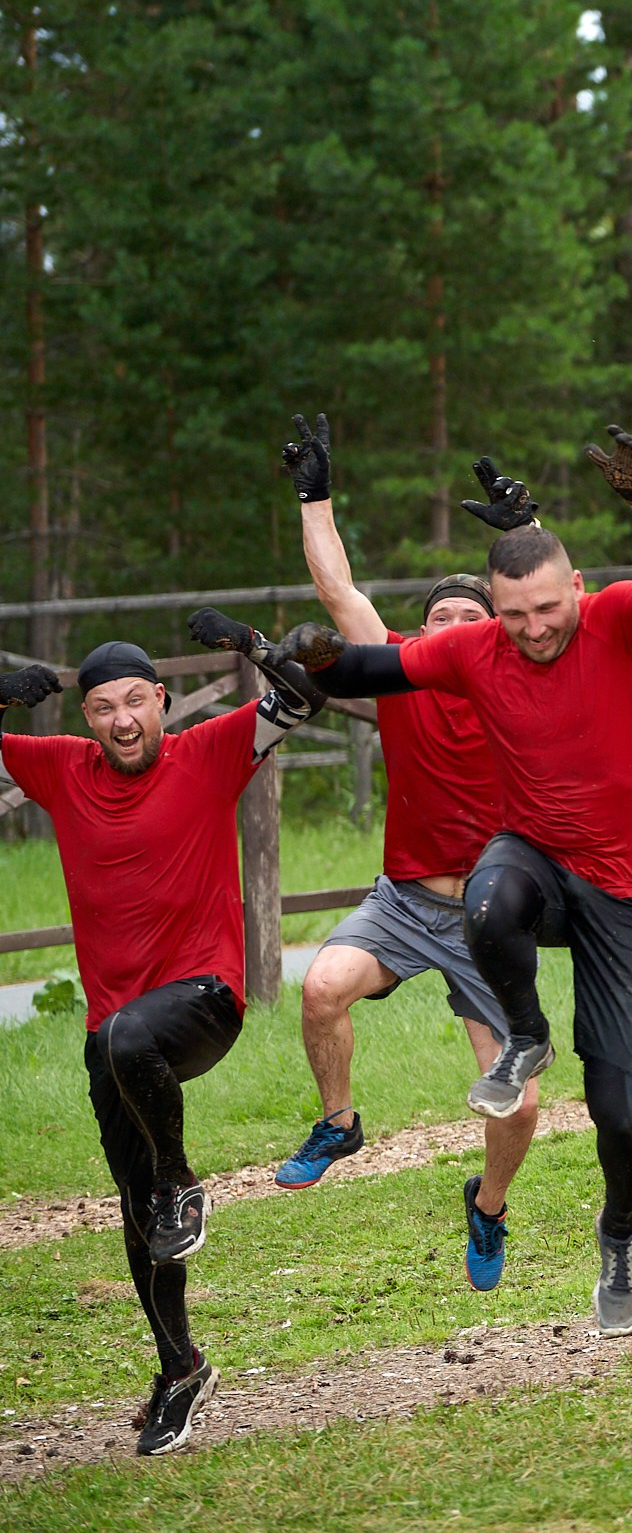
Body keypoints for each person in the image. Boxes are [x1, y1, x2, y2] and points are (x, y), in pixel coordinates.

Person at [284, 428, 632, 1334]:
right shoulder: (476, 649)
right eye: (515, 615)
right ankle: (525, 1037)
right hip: (536, 867)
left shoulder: (619, 620)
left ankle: (619, 1230)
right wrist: (309, 654)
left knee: (621, 1113)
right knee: (489, 892)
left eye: (548, 608)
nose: (535, 628)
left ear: (577, 588)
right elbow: (367, 665)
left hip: (628, 895)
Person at [0, 614, 323, 1456]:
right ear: (87, 719)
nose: (122, 720)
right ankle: (180, 1364)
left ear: (162, 701)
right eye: (104, 707)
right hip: (116, 1037)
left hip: (204, 998)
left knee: (130, 1056)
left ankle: (182, 1180)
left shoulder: (209, 752)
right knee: (135, 1206)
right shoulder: (60, 769)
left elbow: (302, 696)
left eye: (135, 701)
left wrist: (250, 644)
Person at [268, 416, 537, 1291]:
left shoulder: (523, 679)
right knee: (320, 988)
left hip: (489, 919)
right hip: (404, 903)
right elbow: (338, 587)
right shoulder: (398, 675)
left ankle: (488, 1205)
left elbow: (562, 609)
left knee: (519, 1102)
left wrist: (526, 532)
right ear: (419, 636)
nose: (453, 626)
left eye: (471, 616)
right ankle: (339, 1123)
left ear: (497, 629)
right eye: (438, 618)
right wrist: (315, 496)